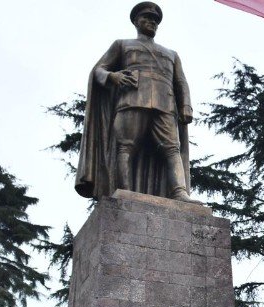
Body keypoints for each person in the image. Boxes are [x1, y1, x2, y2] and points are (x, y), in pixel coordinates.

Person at [76, 2, 194, 201]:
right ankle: (125, 190)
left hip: (165, 105)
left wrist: (186, 105)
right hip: (131, 101)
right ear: (136, 21)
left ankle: (179, 192)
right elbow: (98, 70)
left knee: (172, 149)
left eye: (155, 20)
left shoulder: (172, 54)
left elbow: (181, 81)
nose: (152, 22)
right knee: (125, 147)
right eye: (147, 18)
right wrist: (113, 77)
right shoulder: (122, 44)